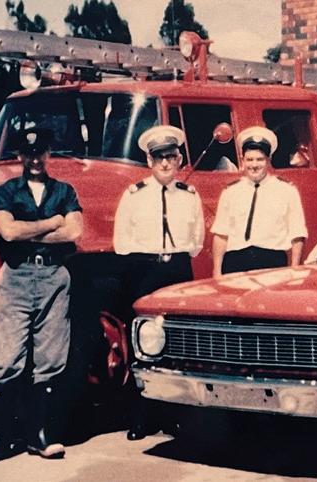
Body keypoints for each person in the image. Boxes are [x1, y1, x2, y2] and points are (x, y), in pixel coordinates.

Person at [0, 129, 83, 465]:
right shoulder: (8, 190)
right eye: (29, 153)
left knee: (50, 357)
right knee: (8, 357)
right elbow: (7, 231)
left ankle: (40, 437)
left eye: (41, 152)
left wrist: (28, 231)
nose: (35, 159)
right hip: (16, 277)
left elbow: (74, 231)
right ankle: (0, 440)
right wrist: (51, 222)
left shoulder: (64, 191)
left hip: (53, 276)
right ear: (20, 156)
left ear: (49, 154)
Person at [113, 125, 204, 440]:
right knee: (143, 342)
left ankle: (175, 417)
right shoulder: (133, 195)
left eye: (171, 157)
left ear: (179, 160)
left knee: (178, 342)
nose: (165, 163)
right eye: (159, 158)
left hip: (177, 268)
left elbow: (196, 240)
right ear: (149, 161)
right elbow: (122, 240)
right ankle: (142, 417)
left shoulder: (190, 196)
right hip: (144, 269)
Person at [212, 126, 307, 276]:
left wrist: (294, 268)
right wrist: (217, 271)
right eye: (249, 159)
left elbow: (297, 233)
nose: (254, 165)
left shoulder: (287, 191)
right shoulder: (230, 192)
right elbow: (221, 234)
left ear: (268, 160)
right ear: (242, 160)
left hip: (271, 261)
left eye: (260, 159)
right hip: (235, 262)